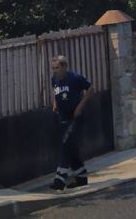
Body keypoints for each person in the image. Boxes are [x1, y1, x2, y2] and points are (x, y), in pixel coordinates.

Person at [50, 55, 95, 191]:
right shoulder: (54, 79)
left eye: (57, 68)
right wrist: (55, 103)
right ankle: (81, 177)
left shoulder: (75, 78)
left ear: (64, 67)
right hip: (63, 117)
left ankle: (60, 179)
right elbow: (55, 93)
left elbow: (91, 89)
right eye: (53, 68)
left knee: (66, 144)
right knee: (71, 147)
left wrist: (80, 107)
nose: (55, 71)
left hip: (75, 118)